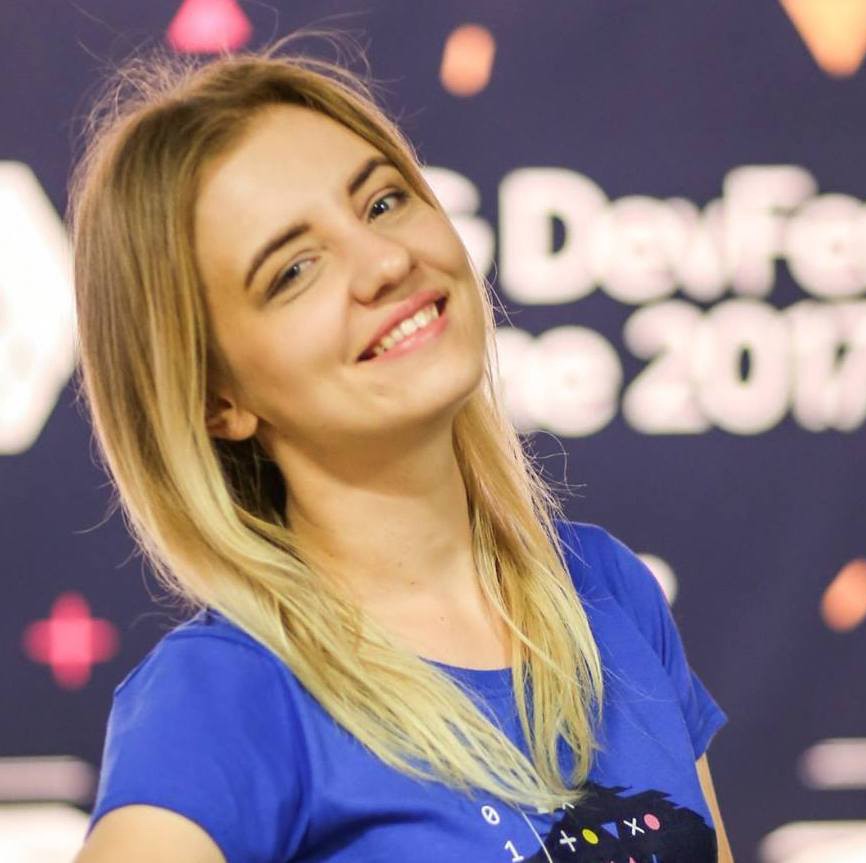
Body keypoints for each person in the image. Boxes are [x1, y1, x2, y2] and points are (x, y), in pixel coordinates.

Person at [69, 32, 733, 863]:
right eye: (293, 271)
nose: (385, 261)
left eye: (382, 202)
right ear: (215, 399)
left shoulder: (607, 591)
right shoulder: (225, 695)